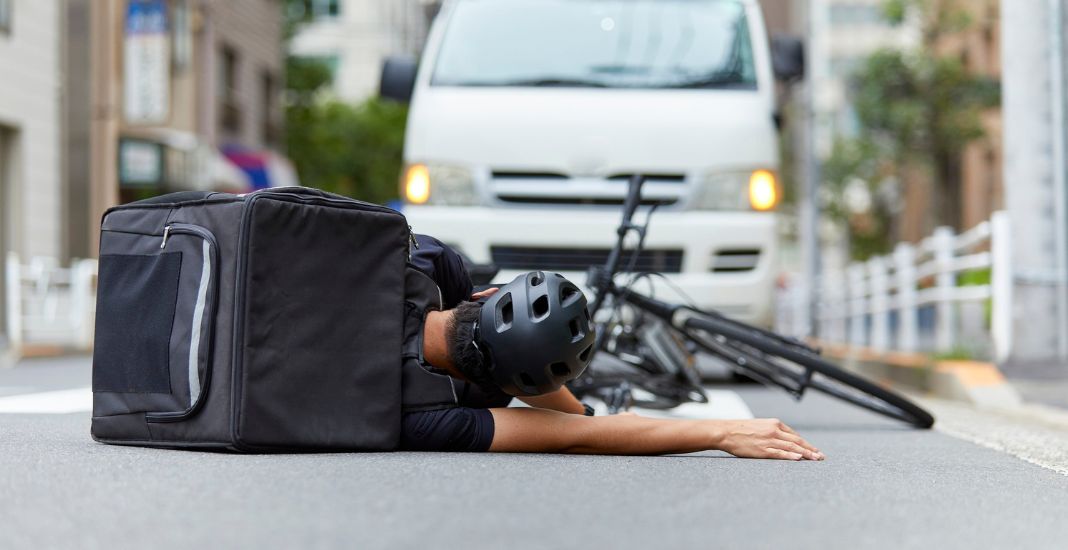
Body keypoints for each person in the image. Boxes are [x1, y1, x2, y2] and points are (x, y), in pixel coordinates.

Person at [406, 235, 825, 461]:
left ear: (487, 293)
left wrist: (582, 415)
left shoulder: (422, 266)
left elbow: (580, 429)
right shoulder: (431, 421)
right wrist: (725, 431)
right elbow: (577, 436)